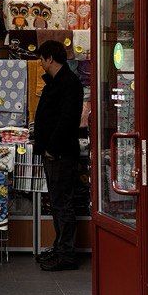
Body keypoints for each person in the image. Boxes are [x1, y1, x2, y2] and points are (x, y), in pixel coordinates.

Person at [32, 39, 84, 271]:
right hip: (54, 152)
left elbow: (66, 120)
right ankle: (60, 247)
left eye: (41, 60)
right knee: (57, 203)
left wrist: (51, 148)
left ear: (50, 58)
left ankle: (66, 254)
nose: (41, 64)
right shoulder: (58, 81)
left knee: (62, 204)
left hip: (60, 154)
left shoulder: (69, 83)